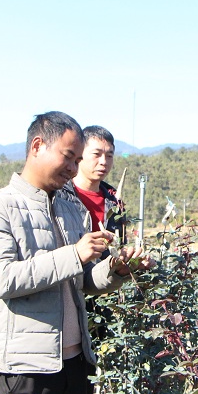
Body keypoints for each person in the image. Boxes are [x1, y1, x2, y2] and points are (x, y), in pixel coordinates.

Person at [0, 111, 153, 394]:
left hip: (72, 365)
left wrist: (117, 270)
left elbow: (81, 281)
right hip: (25, 370)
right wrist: (74, 254)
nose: (74, 167)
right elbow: (2, 278)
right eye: (68, 157)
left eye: (76, 158)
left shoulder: (70, 208)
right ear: (38, 146)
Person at [57, 125, 127, 339]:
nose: (103, 162)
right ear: (80, 155)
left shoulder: (114, 202)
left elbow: (120, 244)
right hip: (69, 291)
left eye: (109, 155)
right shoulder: (60, 196)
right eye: (96, 154)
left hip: (106, 292)